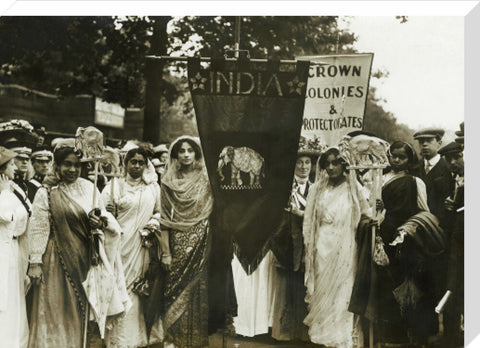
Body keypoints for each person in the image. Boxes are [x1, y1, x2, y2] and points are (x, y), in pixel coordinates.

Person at [27, 146, 129, 348]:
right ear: (57, 165)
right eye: (67, 164)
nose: (72, 170)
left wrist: (99, 223)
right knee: (55, 308)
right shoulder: (46, 192)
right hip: (57, 259)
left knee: (82, 307)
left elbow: (105, 220)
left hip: (84, 256)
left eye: (77, 165)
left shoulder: (89, 188)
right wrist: (35, 262)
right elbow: (38, 226)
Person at [302, 147, 369, 348]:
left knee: (343, 291)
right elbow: (308, 221)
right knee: (323, 291)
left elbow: (366, 214)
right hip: (322, 246)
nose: (331, 168)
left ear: (344, 165)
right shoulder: (316, 189)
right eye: (327, 164)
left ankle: (342, 337)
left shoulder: (354, 188)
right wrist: (309, 247)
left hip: (346, 246)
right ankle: (323, 335)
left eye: (335, 163)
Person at [371, 140, 433, 346]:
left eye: (401, 157)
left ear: (409, 160)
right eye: (393, 155)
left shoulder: (415, 182)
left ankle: (409, 334)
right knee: (383, 285)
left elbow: (424, 212)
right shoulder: (381, 177)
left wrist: (408, 230)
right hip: (382, 237)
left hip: (404, 241)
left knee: (405, 285)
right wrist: (378, 205)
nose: (396, 160)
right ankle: (388, 333)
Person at [102, 146, 164, 347]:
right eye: (133, 162)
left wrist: (151, 226)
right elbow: (100, 214)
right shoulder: (113, 186)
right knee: (118, 287)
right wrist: (109, 212)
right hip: (118, 245)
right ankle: (116, 340)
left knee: (138, 289)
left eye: (141, 162)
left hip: (142, 245)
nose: (137, 166)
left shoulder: (152, 188)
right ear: (126, 164)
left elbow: (160, 212)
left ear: (146, 165)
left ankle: (137, 338)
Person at [159, 136, 213, 348]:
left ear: (197, 153)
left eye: (190, 150)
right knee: (175, 288)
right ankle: (174, 340)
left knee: (198, 288)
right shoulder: (168, 181)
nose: (186, 154)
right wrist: (166, 252)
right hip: (177, 241)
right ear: (175, 156)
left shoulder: (207, 180)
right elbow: (164, 219)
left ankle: (196, 341)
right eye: (181, 151)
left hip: (202, 238)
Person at [269, 144, 319, 342]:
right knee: (286, 287)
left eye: (307, 162)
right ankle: (284, 333)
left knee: (306, 287)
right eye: (299, 162)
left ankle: (305, 333)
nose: (303, 166)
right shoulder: (283, 188)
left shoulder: (316, 188)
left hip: (309, 244)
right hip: (286, 243)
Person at [0, 146, 30, 348]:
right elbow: (6, 216)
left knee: (15, 297)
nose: (15, 168)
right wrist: (3, 194)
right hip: (3, 248)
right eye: (11, 164)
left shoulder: (11, 187)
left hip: (14, 249)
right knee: (5, 298)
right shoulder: (4, 191)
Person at [438, 132, 464, 348]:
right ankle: (452, 337)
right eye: (450, 159)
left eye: (458, 157)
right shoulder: (454, 179)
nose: (454, 163)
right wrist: (451, 208)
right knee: (454, 286)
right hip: (456, 243)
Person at [414, 128, 454, 225]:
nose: (424, 144)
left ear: (439, 143)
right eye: (421, 141)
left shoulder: (449, 169)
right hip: (417, 223)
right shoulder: (414, 168)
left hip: (441, 225)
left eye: (429, 141)